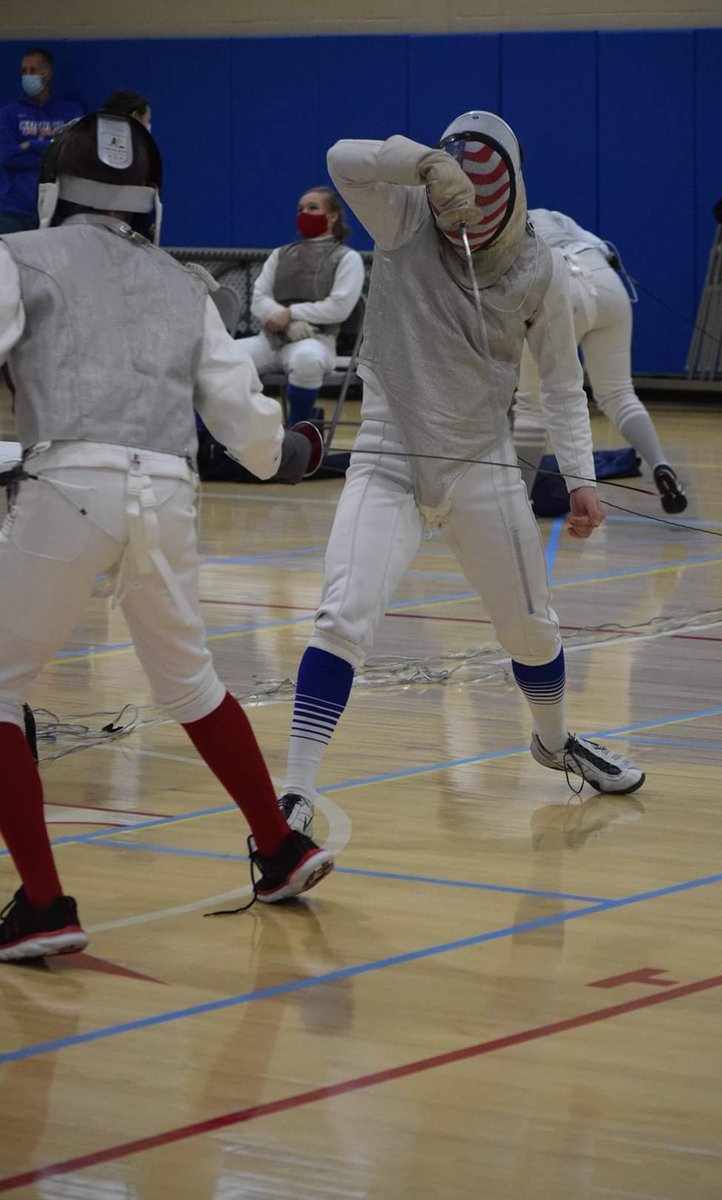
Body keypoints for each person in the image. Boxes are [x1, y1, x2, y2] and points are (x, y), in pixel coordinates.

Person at [0, 113, 332, 963]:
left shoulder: (19, 256)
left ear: (55, 189)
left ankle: (43, 904)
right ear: (148, 203)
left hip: (69, 489)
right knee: (188, 681)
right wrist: (293, 450)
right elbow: (248, 428)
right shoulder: (184, 283)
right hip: (167, 495)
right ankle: (282, 849)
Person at [274, 111, 645, 840]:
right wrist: (418, 163)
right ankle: (295, 790)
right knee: (343, 618)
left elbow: (565, 388)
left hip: (481, 465)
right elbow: (340, 157)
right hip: (387, 458)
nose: (459, 223)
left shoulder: (540, 267)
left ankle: (554, 740)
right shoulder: (405, 213)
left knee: (533, 630)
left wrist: (581, 479)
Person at [514, 209, 688, 514]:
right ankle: (661, 465)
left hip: (557, 287)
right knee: (619, 394)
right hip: (607, 285)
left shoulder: (497, 221)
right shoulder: (550, 215)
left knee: (531, 407)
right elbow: (607, 250)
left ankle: (517, 501)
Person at [238, 186, 365, 427]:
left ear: (332, 216)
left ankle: (296, 431)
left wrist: (292, 313)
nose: (304, 213)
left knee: (307, 359)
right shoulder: (280, 254)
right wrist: (287, 322)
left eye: (313, 208)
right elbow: (259, 298)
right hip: (270, 340)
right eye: (301, 209)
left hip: (317, 340)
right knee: (224, 356)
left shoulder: (347, 258)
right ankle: (227, 436)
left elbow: (339, 307)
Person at [0, 47, 83, 234]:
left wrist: (31, 145)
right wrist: (52, 152)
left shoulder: (70, 112)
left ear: (48, 73)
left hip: (57, 209)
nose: (27, 76)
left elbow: (72, 157)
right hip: (13, 210)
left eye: (33, 70)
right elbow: (7, 156)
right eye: (24, 71)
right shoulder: (8, 114)